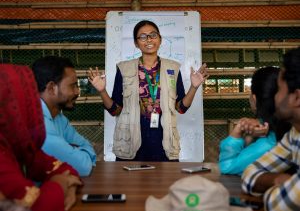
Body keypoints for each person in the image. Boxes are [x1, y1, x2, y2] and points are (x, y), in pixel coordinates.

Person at [88, 20, 208, 161]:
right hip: (131, 136)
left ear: (160, 39)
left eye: (153, 35)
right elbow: (116, 110)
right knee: (130, 182)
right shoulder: (124, 68)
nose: (149, 40)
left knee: (164, 181)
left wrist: (194, 87)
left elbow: (181, 108)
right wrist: (102, 91)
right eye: (143, 36)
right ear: (136, 43)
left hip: (164, 137)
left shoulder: (173, 68)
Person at [0, 64, 82, 211]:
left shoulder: (20, 147)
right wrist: (60, 183)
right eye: (27, 99)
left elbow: (69, 170)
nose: (34, 107)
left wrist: (69, 186)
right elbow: (39, 209)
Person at [241, 47, 300, 211]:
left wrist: (285, 188)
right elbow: (249, 175)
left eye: (279, 90)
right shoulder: (295, 134)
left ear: (296, 98)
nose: (274, 98)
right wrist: (281, 181)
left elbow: (277, 208)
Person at [31, 56, 96, 176]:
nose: (77, 92)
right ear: (51, 88)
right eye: (72, 86)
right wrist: (73, 150)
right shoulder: (38, 123)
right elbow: (83, 167)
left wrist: (71, 150)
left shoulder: (59, 118)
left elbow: (88, 148)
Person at [219, 67, 290, 175]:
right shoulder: (285, 131)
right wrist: (250, 135)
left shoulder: (269, 144)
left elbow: (226, 167)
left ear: (254, 98)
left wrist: (237, 132)